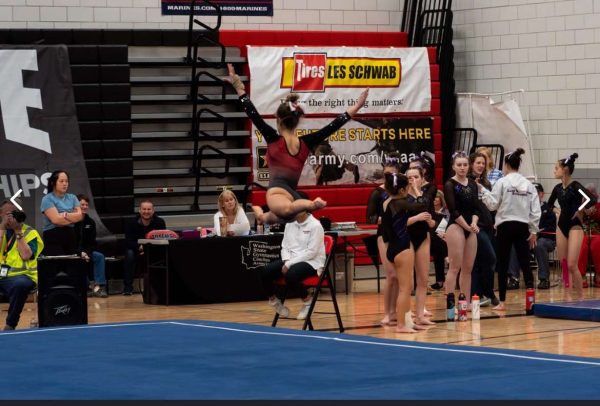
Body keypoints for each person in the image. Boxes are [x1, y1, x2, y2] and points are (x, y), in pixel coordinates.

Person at [226, 63, 368, 225]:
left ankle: (263, 214)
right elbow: (334, 125)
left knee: (285, 213)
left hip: (287, 194)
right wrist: (356, 106)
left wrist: (238, 84)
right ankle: (305, 206)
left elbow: (253, 114)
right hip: (278, 193)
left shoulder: (273, 138)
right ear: (296, 121)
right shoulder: (305, 142)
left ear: (278, 120)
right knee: (288, 211)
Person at [480, 148, 541, 310]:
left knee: (503, 263)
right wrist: (533, 230)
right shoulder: (528, 184)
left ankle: (502, 302)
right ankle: (530, 300)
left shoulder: (502, 182)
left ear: (506, 165)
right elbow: (536, 209)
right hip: (522, 227)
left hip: (505, 227)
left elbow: (492, 204)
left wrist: (482, 191)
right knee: (525, 263)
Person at [260, 198, 325, 321]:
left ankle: (307, 302)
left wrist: (289, 264)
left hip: (312, 262)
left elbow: (311, 252)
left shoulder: (315, 225)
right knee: (265, 271)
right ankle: (274, 301)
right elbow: (285, 245)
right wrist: (286, 260)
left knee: (291, 275)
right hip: (291, 260)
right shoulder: (290, 223)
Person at [381, 173, 427, 333]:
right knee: (405, 289)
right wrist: (417, 189)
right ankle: (401, 325)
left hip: (392, 248)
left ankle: (406, 321)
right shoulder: (400, 203)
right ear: (401, 190)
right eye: (407, 187)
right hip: (402, 248)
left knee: (405, 287)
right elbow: (422, 205)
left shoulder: (387, 202)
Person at [546, 153, 596, 300]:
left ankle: (580, 297)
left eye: (556, 168)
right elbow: (548, 205)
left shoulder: (575, 186)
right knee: (564, 264)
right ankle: (567, 295)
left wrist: (579, 209)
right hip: (561, 226)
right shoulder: (557, 188)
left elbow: (591, 199)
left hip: (575, 226)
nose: (554, 171)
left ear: (565, 169)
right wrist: (556, 210)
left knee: (572, 265)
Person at [366, 158, 400, 325]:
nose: (390, 177)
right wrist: (382, 218)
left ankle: (395, 311)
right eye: (387, 174)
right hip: (384, 234)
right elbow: (369, 217)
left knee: (399, 276)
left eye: (393, 174)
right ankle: (387, 312)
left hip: (400, 234)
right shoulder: (377, 193)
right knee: (391, 274)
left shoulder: (402, 191)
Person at [444, 151, 481, 307]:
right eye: (459, 165)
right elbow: (453, 210)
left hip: (469, 228)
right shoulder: (450, 184)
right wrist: (467, 226)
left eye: (465, 165)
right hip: (456, 226)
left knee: (467, 269)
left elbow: (477, 208)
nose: (462, 168)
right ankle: (450, 302)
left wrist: (474, 222)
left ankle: (465, 302)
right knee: (455, 267)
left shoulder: (472, 184)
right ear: (453, 166)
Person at [0, 200, 44, 330]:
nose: (12, 217)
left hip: (23, 276)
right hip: (2, 275)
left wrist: (18, 231)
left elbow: (26, 256)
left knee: (20, 285)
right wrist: (3, 226)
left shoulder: (30, 232)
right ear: (1, 214)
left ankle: (10, 324)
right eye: (8, 213)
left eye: (15, 213)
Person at [406, 166, 436, 326]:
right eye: (409, 177)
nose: (413, 180)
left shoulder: (425, 197)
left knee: (423, 279)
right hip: (407, 238)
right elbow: (398, 223)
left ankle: (420, 315)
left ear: (422, 178)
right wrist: (416, 218)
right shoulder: (402, 198)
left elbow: (431, 218)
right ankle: (405, 315)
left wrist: (431, 222)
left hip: (423, 237)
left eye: (416, 177)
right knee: (407, 282)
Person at [468, 151, 499, 307]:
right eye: (477, 162)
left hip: (488, 225)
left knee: (482, 261)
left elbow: (491, 204)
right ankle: (487, 292)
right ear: (472, 164)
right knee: (490, 258)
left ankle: (479, 294)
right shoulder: (467, 182)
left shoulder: (486, 182)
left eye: (482, 163)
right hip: (476, 227)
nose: (480, 165)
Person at [123, 199, 166, 295]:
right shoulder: (131, 222)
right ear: (139, 210)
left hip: (154, 249)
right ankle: (128, 287)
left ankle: (159, 286)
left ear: (153, 211)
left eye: (149, 209)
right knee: (129, 254)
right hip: (136, 249)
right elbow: (128, 241)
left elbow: (162, 239)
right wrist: (139, 247)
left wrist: (146, 248)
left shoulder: (160, 222)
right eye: (144, 209)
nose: (146, 212)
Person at [40, 170, 83, 255]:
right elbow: (56, 220)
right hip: (53, 235)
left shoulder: (73, 197)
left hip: (70, 234)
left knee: (72, 264)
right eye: (61, 181)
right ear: (53, 182)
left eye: (66, 181)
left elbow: (79, 216)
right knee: (57, 263)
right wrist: (72, 218)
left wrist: (64, 215)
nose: (65, 184)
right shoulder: (47, 199)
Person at [74, 195, 108, 298]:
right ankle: (87, 287)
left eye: (86, 205)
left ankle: (99, 287)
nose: (84, 207)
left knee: (99, 256)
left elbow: (91, 243)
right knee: (78, 260)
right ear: (76, 206)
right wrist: (81, 253)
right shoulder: (70, 221)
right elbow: (71, 243)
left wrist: (87, 254)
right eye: (82, 204)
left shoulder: (90, 222)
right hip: (74, 252)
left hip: (87, 251)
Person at [531, 183, 557, 290]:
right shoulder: (525, 209)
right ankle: (514, 278)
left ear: (541, 194)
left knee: (540, 244)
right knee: (515, 243)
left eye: (535, 193)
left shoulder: (548, 209)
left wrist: (537, 234)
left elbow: (550, 228)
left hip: (546, 240)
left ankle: (544, 279)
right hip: (529, 238)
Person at [578, 183, 600, 288]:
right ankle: (581, 276)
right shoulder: (579, 207)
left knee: (597, 245)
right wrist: (582, 212)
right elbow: (575, 221)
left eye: (592, 193)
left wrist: (595, 213)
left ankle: (599, 275)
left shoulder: (599, 206)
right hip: (583, 233)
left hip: (597, 233)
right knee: (582, 246)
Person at [429, 190, 449, 291]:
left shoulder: (446, 212)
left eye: (436, 197)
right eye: (433, 198)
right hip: (432, 240)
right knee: (437, 246)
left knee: (439, 242)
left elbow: (442, 229)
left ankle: (440, 281)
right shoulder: (429, 212)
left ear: (441, 199)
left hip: (444, 238)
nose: (434, 200)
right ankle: (446, 256)